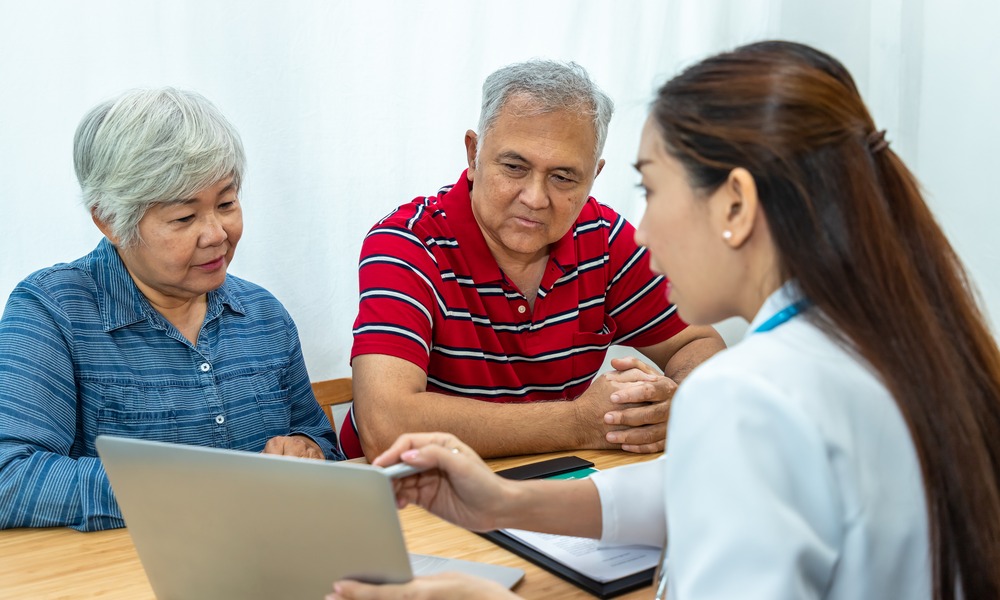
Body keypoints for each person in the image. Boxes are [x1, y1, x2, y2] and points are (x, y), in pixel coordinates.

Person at [327, 41, 1000, 599]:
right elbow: (708, 485)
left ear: (735, 205)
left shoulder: (749, 394)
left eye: (649, 189)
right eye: (514, 167)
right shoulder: (875, 341)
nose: (640, 232)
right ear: (475, 152)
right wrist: (508, 502)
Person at [0, 88, 343, 532]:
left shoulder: (262, 314)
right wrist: (200, 486)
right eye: (184, 218)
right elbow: (10, 476)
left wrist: (306, 450)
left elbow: (319, 439)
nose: (217, 234)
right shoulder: (52, 311)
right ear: (109, 220)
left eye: (226, 204)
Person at [345, 59, 725, 459]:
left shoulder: (604, 237)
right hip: (410, 488)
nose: (535, 198)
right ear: (474, 155)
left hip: (549, 481)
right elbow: (385, 425)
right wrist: (579, 422)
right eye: (514, 167)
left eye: (563, 177)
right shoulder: (408, 243)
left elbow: (698, 342)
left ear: (593, 176)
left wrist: (672, 405)